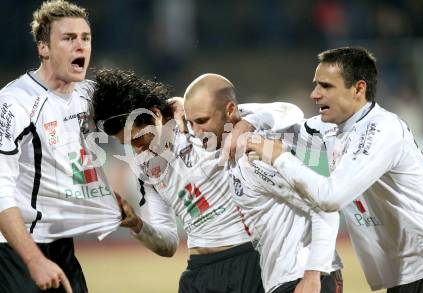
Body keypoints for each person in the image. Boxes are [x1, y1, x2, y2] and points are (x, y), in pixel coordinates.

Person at [246, 46, 423, 292]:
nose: (314, 94)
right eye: (316, 84)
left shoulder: (382, 130)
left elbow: (331, 197)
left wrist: (280, 158)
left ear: (359, 88)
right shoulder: (332, 127)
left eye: (326, 86)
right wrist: (243, 121)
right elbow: (283, 119)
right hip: (407, 276)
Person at [92, 68, 284, 293]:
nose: (137, 150)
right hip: (199, 273)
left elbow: (287, 111)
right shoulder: (146, 172)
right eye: (128, 145)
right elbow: (168, 245)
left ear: (156, 114)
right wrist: (137, 225)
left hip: (247, 258)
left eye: (139, 138)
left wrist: (246, 124)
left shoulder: (200, 124)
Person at [0, 1, 121, 292]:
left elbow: (145, 110)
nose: (80, 46)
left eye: (85, 38)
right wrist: (34, 261)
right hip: (15, 248)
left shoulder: (86, 96)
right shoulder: (13, 104)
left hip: (59, 243)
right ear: (43, 48)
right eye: (68, 38)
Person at [183, 73, 343, 293]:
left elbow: (324, 205)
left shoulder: (256, 154)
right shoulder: (232, 142)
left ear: (230, 111)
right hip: (280, 280)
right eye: (191, 122)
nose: (196, 131)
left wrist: (313, 275)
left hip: (303, 278)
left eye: (202, 121)